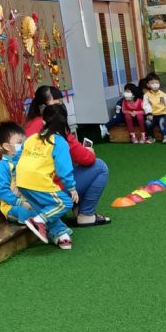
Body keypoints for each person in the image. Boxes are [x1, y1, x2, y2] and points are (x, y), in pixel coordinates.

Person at [24, 85, 110, 226]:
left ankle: (76, 210)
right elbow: (86, 158)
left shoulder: (29, 127)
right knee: (100, 167)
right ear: (44, 106)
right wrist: (88, 152)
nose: (61, 105)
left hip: (29, 189)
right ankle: (86, 214)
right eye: (57, 102)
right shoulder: (56, 129)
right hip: (50, 189)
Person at [15, 106, 79, 250]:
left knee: (45, 208)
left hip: (22, 181)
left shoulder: (31, 138)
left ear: (43, 122)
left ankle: (59, 234)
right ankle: (38, 221)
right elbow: (64, 168)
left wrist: (15, 179)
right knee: (65, 203)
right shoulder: (59, 141)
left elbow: (18, 157)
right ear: (65, 123)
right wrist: (71, 188)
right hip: (39, 181)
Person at [0, 120, 48, 242]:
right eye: (19, 143)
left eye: (25, 142)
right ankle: (39, 225)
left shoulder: (25, 161)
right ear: (7, 146)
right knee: (24, 212)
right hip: (12, 206)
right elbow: (3, 193)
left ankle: (54, 230)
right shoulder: (2, 167)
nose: (23, 146)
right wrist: (21, 203)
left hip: (30, 200)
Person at [141, 73, 166, 143]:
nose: (155, 84)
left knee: (162, 122)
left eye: (156, 82)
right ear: (148, 85)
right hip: (152, 115)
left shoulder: (163, 94)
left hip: (162, 114)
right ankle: (151, 137)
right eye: (152, 83)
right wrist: (149, 114)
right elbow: (146, 105)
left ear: (159, 83)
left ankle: (165, 137)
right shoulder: (146, 95)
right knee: (147, 122)